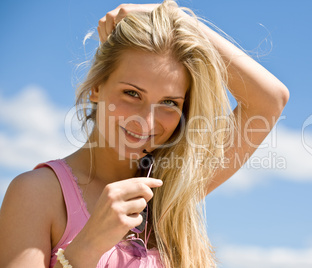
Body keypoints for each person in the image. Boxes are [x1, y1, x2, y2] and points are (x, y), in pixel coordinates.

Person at [0, 1, 289, 267]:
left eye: (169, 103)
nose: (147, 122)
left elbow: (270, 100)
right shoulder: (37, 193)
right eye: (132, 93)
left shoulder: (173, 189)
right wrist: (88, 245)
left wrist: (176, 16)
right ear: (97, 87)